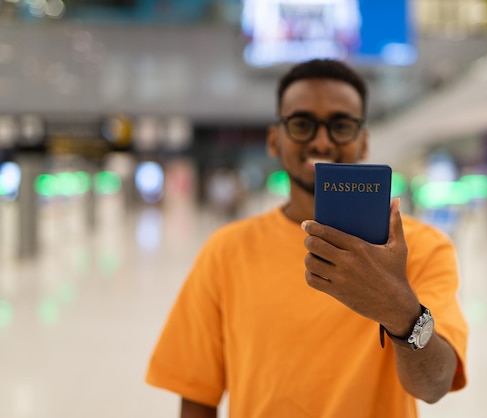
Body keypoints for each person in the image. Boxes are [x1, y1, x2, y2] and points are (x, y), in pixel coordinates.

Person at [145, 59, 468, 418]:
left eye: (341, 125)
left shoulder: (421, 247)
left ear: (363, 142)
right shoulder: (227, 251)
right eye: (302, 124)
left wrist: (399, 310)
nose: (321, 140)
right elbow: (197, 395)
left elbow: (434, 384)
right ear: (273, 139)